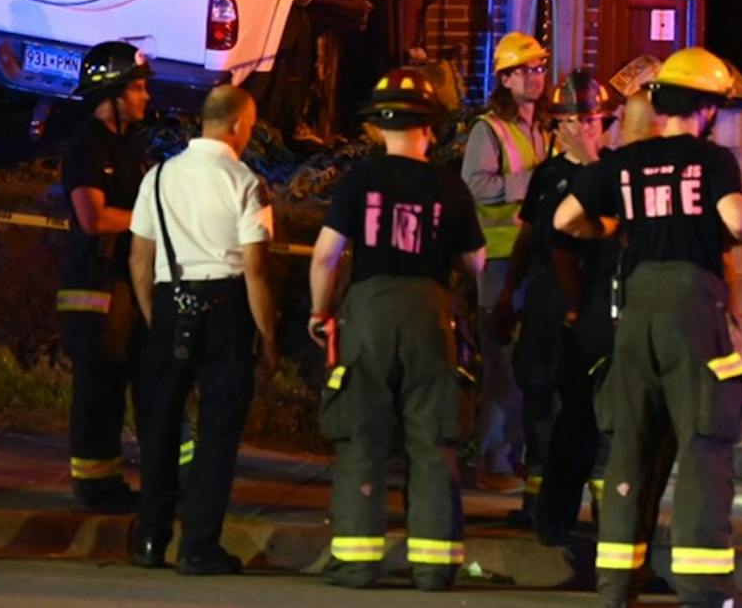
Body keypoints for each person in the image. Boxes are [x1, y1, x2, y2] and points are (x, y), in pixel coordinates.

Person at [555, 45, 742, 608]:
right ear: (708, 108)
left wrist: (613, 228)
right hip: (690, 306)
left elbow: (564, 219)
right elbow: (741, 225)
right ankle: (702, 585)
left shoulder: (625, 161)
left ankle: (617, 581)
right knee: (702, 438)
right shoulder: (712, 160)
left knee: (632, 442)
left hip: (636, 307)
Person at [310, 68, 487, 592]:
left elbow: (325, 256)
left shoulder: (359, 181)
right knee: (433, 439)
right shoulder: (448, 185)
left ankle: (358, 562)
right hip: (430, 313)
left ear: (377, 129)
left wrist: (320, 313)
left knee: (361, 434)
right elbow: (477, 264)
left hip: (368, 311)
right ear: (429, 129)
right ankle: (434, 567)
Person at [126, 85, 277, 576]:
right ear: (237, 125)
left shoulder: (159, 176)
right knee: (217, 432)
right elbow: (255, 270)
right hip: (226, 306)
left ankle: (149, 538)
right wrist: (268, 338)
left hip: (171, 302)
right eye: (250, 126)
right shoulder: (246, 182)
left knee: (161, 426)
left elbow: (140, 258)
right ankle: (198, 545)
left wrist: (155, 313)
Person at [507, 70, 620, 546]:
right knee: (540, 397)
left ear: (606, 122)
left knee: (599, 409)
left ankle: (604, 504)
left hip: (597, 304)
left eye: (591, 118)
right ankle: (540, 504)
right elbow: (531, 238)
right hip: (547, 300)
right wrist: (505, 297)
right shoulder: (549, 176)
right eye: (572, 119)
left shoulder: (615, 173)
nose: (582, 127)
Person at [58, 40, 153, 512]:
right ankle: (93, 486)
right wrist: (149, 218)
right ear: (112, 93)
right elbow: (92, 218)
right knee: (97, 389)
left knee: (117, 386)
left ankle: (109, 481)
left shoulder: (126, 147)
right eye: (137, 88)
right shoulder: (86, 146)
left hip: (119, 285)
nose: (145, 97)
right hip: (91, 289)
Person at [462, 31, 549, 495]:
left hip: (534, 259)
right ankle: (494, 462)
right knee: (501, 363)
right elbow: (474, 184)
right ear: (505, 78)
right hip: (497, 259)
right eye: (527, 70)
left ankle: (516, 458)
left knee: (528, 362)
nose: (536, 77)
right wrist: (529, 184)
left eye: (539, 69)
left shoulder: (543, 127)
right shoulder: (489, 129)